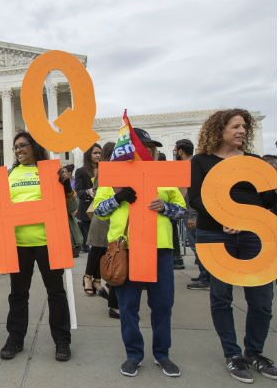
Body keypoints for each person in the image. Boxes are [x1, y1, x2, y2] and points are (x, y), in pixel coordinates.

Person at [189, 109, 277, 383]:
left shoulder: (254, 162)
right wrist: (226, 217)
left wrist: (251, 220)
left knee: (262, 300)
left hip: (255, 236)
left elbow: (271, 201)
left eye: (244, 127)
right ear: (220, 129)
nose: (241, 131)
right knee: (221, 297)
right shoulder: (201, 161)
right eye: (236, 126)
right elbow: (197, 198)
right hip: (216, 235)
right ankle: (232, 354)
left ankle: (255, 353)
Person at [94, 128, 185, 378]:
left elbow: (181, 211)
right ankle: (133, 354)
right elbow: (99, 211)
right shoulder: (112, 176)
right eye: (138, 147)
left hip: (159, 248)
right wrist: (118, 198)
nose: (143, 151)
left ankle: (162, 354)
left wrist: (165, 207)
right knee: (128, 305)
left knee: (163, 304)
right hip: (126, 250)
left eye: (148, 147)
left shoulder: (162, 175)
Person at [0, 131, 72, 363]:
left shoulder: (49, 171)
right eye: (15, 147)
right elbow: (1, 205)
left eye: (22, 145)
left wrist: (66, 186)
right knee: (18, 294)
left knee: (56, 292)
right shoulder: (9, 175)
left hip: (48, 241)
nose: (18, 150)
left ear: (34, 146)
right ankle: (15, 338)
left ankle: (62, 341)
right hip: (18, 244)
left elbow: (70, 203)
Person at [83, 142, 121, 318]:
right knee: (97, 250)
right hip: (102, 217)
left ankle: (102, 284)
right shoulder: (103, 170)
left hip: (112, 218)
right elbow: (98, 192)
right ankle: (89, 279)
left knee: (108, 254)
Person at [174, 139, 209, 289]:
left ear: (181, 151)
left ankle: (206, 277)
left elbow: (194, 193)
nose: (174, 153)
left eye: (175, 150)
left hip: (192, 213)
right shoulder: (193, 164)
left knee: (198, 246)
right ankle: (204, 275)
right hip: (190, 211)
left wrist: (193, 215)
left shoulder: (191, 166)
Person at [75, 143, 102, 292]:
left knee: (102, 248)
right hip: (88, 213)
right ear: (88, 155)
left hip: (103, 212)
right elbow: (78, 191)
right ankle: (88, 277)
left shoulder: (105, 169)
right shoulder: (81, 171)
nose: (98, 155)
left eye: (100, 153)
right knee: (95, 247)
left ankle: (96, 279)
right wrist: (88, 191)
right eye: (95, 153)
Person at [58, 164, 83, 258]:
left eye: (65, 172)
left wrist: (67, 187)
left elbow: (72, 208)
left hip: (71, 242)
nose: (64, 174)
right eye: (62, 172)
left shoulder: (68, 186)